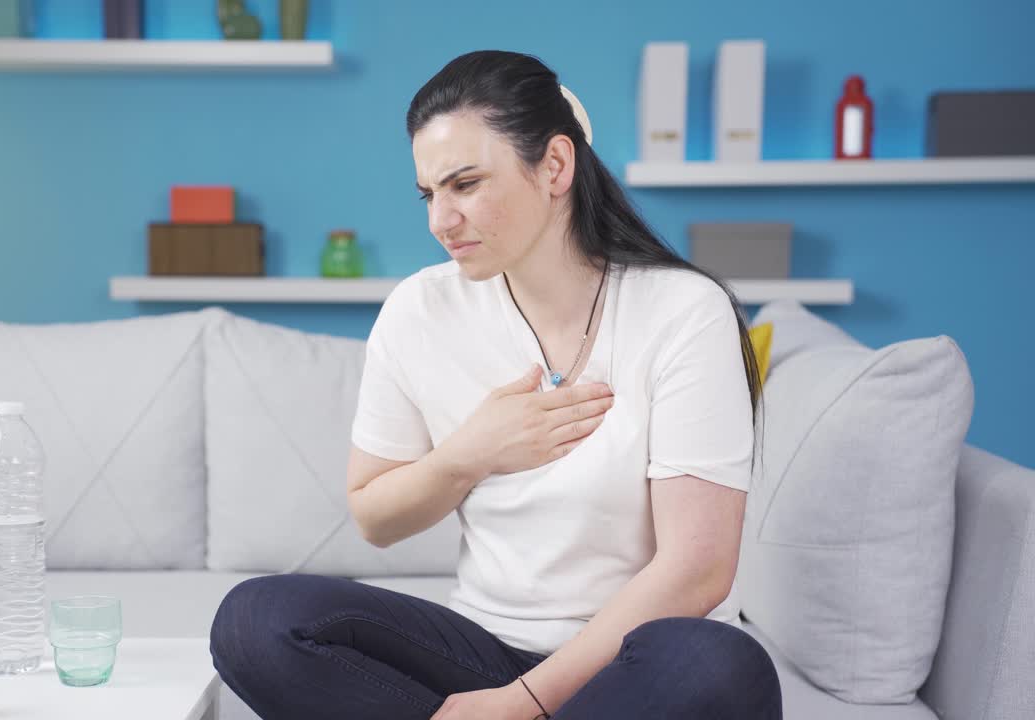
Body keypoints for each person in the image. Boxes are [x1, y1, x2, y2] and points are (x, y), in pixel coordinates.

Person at [210, 49, 783, 720]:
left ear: (556, 166)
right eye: (430, 193)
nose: (439, 221)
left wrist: (522, 705)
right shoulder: (420, 310)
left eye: (465, 184)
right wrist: (467, 455)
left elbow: (699, 570)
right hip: (483, 649)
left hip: (633, 661)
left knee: (714, 664)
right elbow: (375, 516)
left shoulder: (682, 311)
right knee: (257, 619)